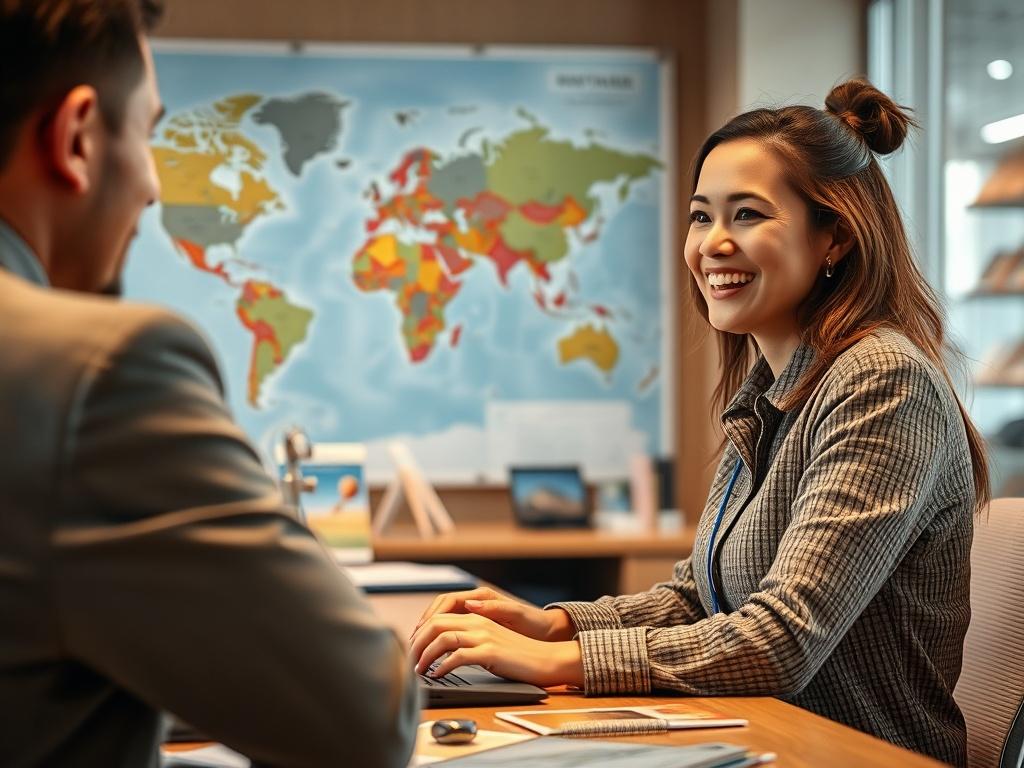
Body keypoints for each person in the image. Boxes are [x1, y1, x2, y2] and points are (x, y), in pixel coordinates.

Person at [411, 78, 989, 766]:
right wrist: (553, 623)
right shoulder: (770, 388)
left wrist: (559, 660)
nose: (713, 244)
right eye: (700, 217)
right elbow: (700, 595)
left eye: (747, 215)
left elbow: (781, 640)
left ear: (834, 235)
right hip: (756, 741)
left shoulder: (881, 381)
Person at [0, 2, 418, 766]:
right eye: (150, 135)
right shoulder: (96, 375)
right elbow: (365, 722)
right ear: (77, 137)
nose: (154, 188)